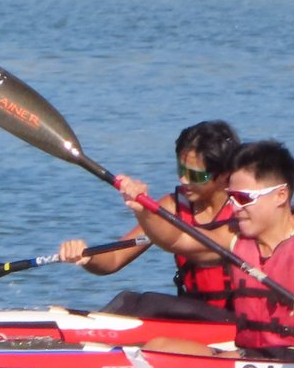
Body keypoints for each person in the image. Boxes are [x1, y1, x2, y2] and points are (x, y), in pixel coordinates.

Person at [117, 139, 294, 360]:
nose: (235, 206)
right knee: (159, 348)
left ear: (281, 195)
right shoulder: (234, 237)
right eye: (232, 197)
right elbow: (177, 241)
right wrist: (143, 212)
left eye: (244, 198)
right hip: (257, 356)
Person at [59, 121, 241, 320]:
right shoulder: (173, 206)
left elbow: (200, 249)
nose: (184, 181)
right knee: (127, 300)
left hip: (236, 322)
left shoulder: (246, 212)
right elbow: (114, 260)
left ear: (224, 176)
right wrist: (88, 257)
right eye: (181, 171)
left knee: (150, 303)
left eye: (195, 175)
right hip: (193, 319)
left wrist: (144, 211)